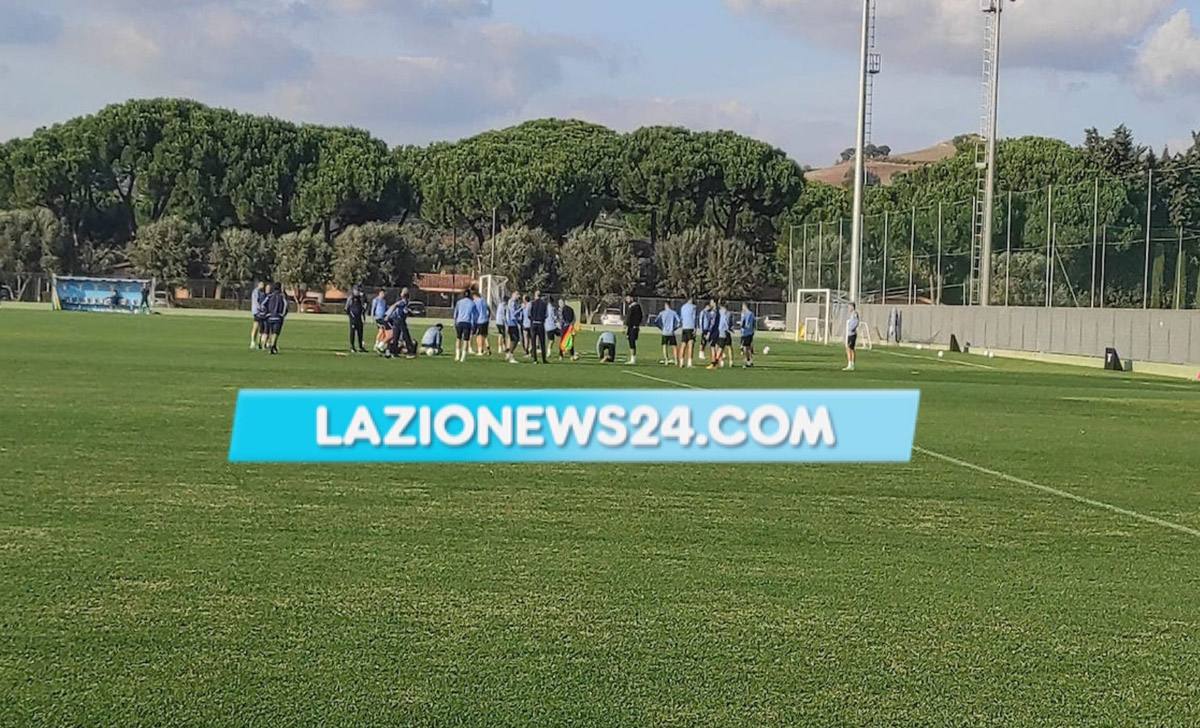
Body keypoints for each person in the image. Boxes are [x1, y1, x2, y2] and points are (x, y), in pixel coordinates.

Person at [385, 288, 417, 359]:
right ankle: (410, 352)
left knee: (396, 336)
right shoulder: (403, 301)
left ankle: (393, 352)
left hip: (397, 320)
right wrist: (388, 315)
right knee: (406, 336)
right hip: (399, 320)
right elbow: (395, 306)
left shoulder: (405, 302)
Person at [261, 281, 289, 355]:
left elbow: (263, 304)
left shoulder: (269, 296)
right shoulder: (281, 297)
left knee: (271, 332)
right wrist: (282, 314)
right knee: (275, 333)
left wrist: (266, 313)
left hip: (270, 317)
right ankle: (272, 346)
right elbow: (285, 306)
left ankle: (273, 346)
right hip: (278, 317)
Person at [655, 301, 681, 366]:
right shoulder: (673, 313)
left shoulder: (662, 313)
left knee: (664, 346)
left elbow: (656, 321)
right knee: (674, 346)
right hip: (671, 332)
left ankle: (666, 360)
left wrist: (661, 327)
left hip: (664, 332)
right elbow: (679, 322)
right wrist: (675, 328)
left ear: (665, 305)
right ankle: (676, 360)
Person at [453, 287, 475, 363]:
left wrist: (455, 322)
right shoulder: (472, 303)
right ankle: (463, 357)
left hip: (459, 322)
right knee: (466, 340)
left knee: (458, 338)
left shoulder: (459, 302)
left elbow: (456, 313)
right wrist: (473, 324)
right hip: (467, 322)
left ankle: (457, 355)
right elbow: (473, 315)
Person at [344, 285, 367, 353]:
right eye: (356, 290)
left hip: (359, 318)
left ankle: (360, 347)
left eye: (358, 290)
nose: (357, 292)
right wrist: (351, 315)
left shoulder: (360, 298)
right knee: (352, 332)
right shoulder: (351, 298)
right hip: (353, 318)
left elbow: (364, 306)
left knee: (360, 332)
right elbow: (346, 308)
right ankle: (352, 347)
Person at [528, 289, 549, 364]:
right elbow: (546, 315)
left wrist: (532, 319)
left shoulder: (532, 303)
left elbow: (529, 314)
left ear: (535, 295)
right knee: (542, 342)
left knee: (533, 342)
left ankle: (535, 359)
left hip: (534, 323)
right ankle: (544, 359)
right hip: (540, 324)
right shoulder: (544, 304)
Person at [624, 293, 643, 365]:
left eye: (628, 298)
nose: (627, 300)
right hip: (636, 326)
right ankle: (633, 358)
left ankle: (633, 359)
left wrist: (625, 326)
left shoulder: (632, 306)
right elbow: (641, 316)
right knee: (632, 342)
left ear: (631, 298)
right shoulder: (638, 306)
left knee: (631, 342)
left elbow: (629, 317)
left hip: (632, 327)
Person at [679, 296, 697, 368]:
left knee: (683, 344)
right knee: (690, 344)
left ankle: (681, 362)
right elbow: (694, 317)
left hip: (684, 327)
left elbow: (681, 318)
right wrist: (695, 327)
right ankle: (689, 362)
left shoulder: (682, 307)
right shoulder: (693, 307)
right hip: (690, 326)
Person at [504, 291, 522, 364]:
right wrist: (521, 308)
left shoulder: (515, 302)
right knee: (514, 340)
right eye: (517, 295)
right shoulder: (511, 302)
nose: (518, 296)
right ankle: (510, 356)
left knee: (515, 340)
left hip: (514, 323)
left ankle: (509, 354)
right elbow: (513, 313)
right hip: (511, 323)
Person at [472, 290, 491, 356]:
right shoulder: (484, 301)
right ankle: (488, 349)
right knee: (485, 335)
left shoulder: (476, 302)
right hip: (486, 320)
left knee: (479, 335)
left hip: (480, 320)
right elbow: (489, 309)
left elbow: (475, 312)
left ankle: (480, 350)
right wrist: (488, 316)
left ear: (475, 296)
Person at [250, 281, 266, 349]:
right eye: (261, 284)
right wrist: (259, 307)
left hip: (262, 312)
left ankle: (260, 343)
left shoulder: (263, 292)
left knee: (262, 328)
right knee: (256, 327)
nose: (262, 286)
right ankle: (252, 341)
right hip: (257, 312)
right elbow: (256, 301)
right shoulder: (256, 291)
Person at [740, 303, 756, 368]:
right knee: (748, 347)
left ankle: (748, 361)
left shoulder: (745, 314)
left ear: (745, 306)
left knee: (745, 347)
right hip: (750, 332)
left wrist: (741, 326)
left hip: (745, 332)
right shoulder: (752, 314)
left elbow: (743, 324)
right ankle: (751, 361)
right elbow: (754, 323)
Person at [844, 302, 860, 372]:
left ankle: (850, 364)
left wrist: (851, 328)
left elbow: (856, 322)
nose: (849, 308)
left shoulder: (854, 314)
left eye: (850, 307)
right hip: (850, 334)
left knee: (849, 348)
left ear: (853, 307)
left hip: (852, 334)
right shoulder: (852, 314)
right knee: (850, 348)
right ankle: (851, 364)